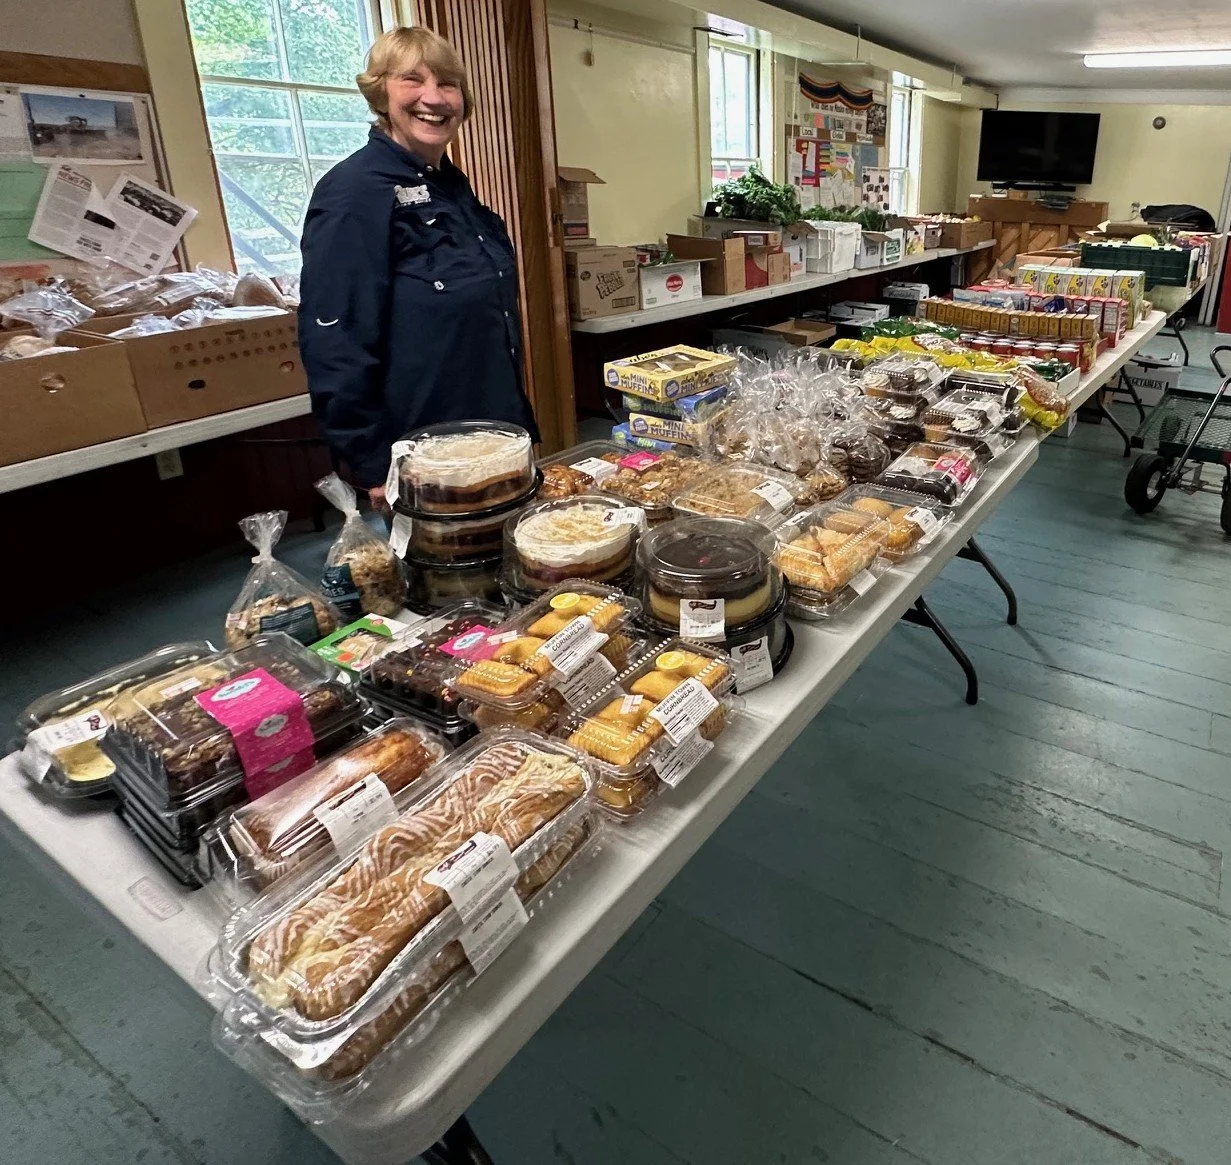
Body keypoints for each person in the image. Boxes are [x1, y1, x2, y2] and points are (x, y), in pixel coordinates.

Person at [298, 26, 538, 507]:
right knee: (455, 582)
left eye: (447, 84)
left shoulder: (451, 188)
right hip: (426, 455)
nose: (434, 97)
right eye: (412, 80)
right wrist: (371, 465)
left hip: (499, 434)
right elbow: (335, 341)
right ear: (380, 92)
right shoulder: (354, 193)